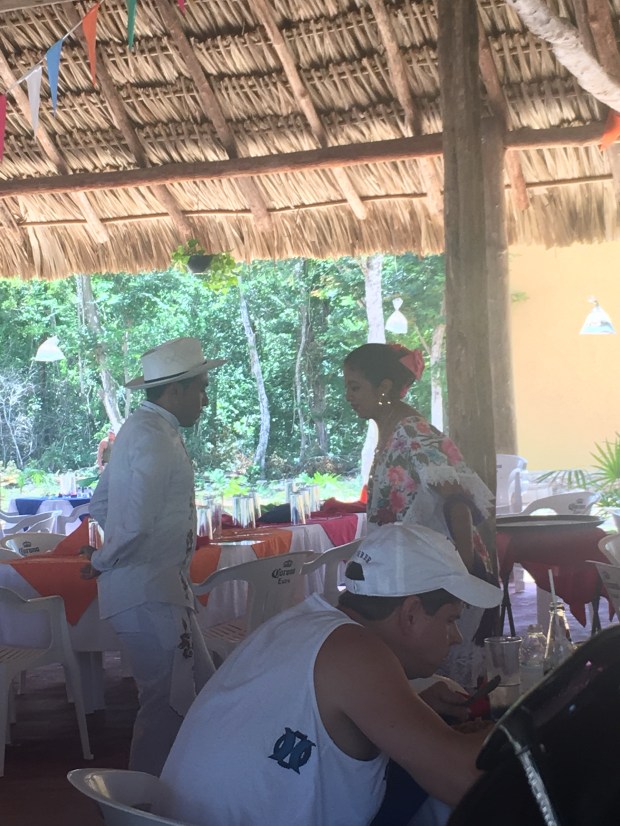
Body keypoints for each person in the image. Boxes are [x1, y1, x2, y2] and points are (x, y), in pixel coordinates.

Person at [156, 523, 502, 826]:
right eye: (450, 620)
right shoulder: (356, 653)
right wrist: (506, 728)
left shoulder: (301, 623)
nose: (456, 638)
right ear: (411, 613)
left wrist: (415, 708)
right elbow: (466, 782)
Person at [81, 336, 225, 776]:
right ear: (176, 390)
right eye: (201, 389)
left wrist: (110, 552)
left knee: (198, 690)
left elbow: (102, 503)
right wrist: (104, 559)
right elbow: (135, 523)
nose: (205, 400)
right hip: (148, 592)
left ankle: (185, 788)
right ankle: (146, 800)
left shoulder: (143, 428)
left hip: (159, 588)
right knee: (167, 703)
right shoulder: (153, 436)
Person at [343, 342, 497, 689]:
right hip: (427, 580)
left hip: (444, 582)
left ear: (383, 387)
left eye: (355, 387)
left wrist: (461, 576)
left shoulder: (414, 431)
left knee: (452, 685)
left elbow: (457, 501)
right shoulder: (392, 430)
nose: (349, 397)